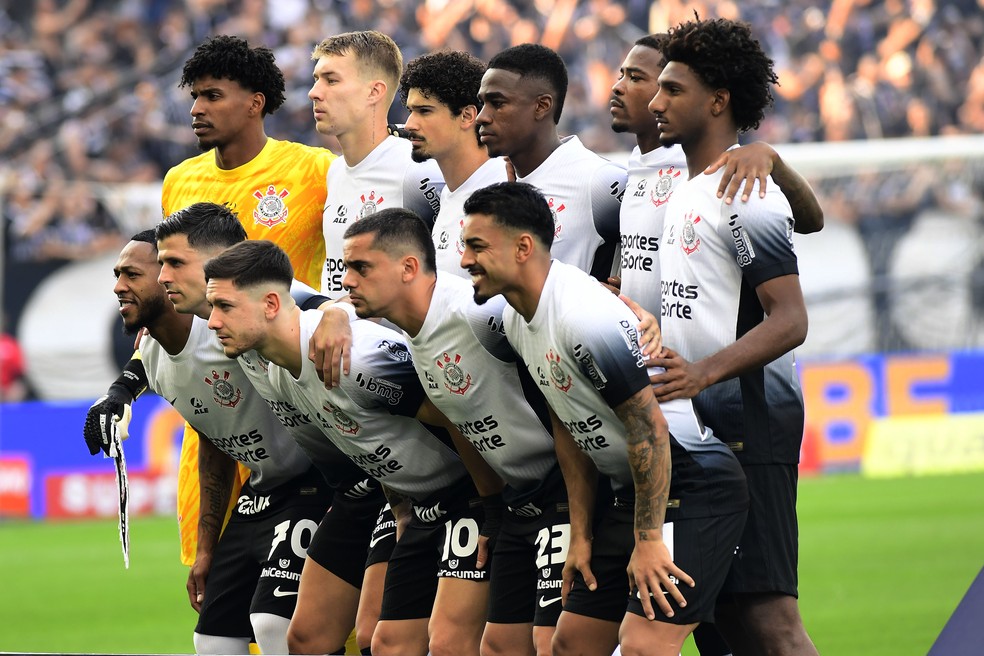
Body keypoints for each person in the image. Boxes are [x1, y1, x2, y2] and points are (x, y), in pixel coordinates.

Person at [459, 181, 748, 656]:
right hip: (629, 492)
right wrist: (581, 534)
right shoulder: (515, 317)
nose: (465, 259)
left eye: (477, 246)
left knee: (643, 645)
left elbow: (648, 428)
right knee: (570, 644)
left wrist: (649, 540)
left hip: (692, 483)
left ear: (523, 247)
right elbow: (569, 427)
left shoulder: (583, 316)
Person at [609, 33, 825, 656]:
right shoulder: (685, 186)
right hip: (693, 427)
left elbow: (790, 320)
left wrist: (702, 373)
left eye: (673, 89)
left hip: (748, 421)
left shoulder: (746, 191)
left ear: (718, 101)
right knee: (722, 622)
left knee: (767, 619)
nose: (656, 101)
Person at [203, 238, 503, 656]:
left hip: (471, 496)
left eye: (224, 307)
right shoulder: (279, 372)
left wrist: (491, 508)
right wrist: (401, 504)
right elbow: (370, 441)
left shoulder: (356, 360)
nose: (212, 322)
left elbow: (459, 416)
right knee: (320, 640)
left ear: (271, 304)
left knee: (445, 643)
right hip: (417, 503)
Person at [340, 207, 599, 656]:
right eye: (345, 268)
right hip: (515, 499)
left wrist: (639, 318)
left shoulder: (477, 311)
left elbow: (565, 313)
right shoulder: (414, 336)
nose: (347, 281)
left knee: (555, 643)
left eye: (361, 267)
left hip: (567, 489)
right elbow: (463, 424)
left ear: (408, 268)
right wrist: (492, 508)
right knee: (499, 646)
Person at [96, 224, 331, 655]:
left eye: (133, 274)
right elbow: (215, 440)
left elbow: (294, 299)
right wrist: (207, 549)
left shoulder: (228, 323)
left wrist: (334, 312)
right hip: (261, 491)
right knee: (212, 640)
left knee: (272, 623)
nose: (118, 286)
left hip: (318, 481)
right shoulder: (152, 359)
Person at [159, 34, 336, 574]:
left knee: (302, 601)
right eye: (194, 96)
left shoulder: (316, 171)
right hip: (214, 410)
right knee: (214, 588)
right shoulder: (180, 181)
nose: (196, 108)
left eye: (212, 95)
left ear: (255, 102)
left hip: (294, 403)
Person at [610, 33, 824, 323]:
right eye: (621, 74)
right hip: (661, 356)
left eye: (635, 78)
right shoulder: (634, 168)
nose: (618, 87)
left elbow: (811, 222)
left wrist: (771, 159)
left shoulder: (715, 168)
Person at [309, 30, 444, 295]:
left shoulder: (417, 170)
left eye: (331, 80)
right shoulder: (335, 170)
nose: (315, 92)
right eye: (316, 80)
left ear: (374, 91)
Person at [476, 43, 626, 281]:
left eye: (498, 103)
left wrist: (630, 296)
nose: (481, 116)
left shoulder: (599, 181)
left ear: (542, 106)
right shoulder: (494, 187)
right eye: (482, 102)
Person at [398, 50, 509, 277]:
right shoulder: (448, 195)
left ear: (468, 116)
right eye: (410, 111)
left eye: (424, 111)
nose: (409, 124)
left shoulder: (505, 193)